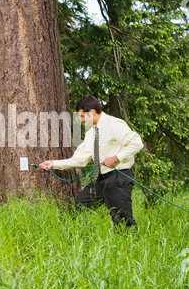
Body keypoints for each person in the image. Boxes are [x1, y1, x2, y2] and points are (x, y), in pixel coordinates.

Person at [39, 94, 144, 231]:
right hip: (101, 180)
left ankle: (131, 249)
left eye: (82, 116)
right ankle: (74, 240)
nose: (82, 121)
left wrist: (115, 158)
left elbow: (137, 143)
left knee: (123, 223)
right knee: (76, 210)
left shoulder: (114, 124)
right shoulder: (91, 133)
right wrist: (54, 163)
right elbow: (81, 159)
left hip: (118, 179)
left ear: (92, 112)